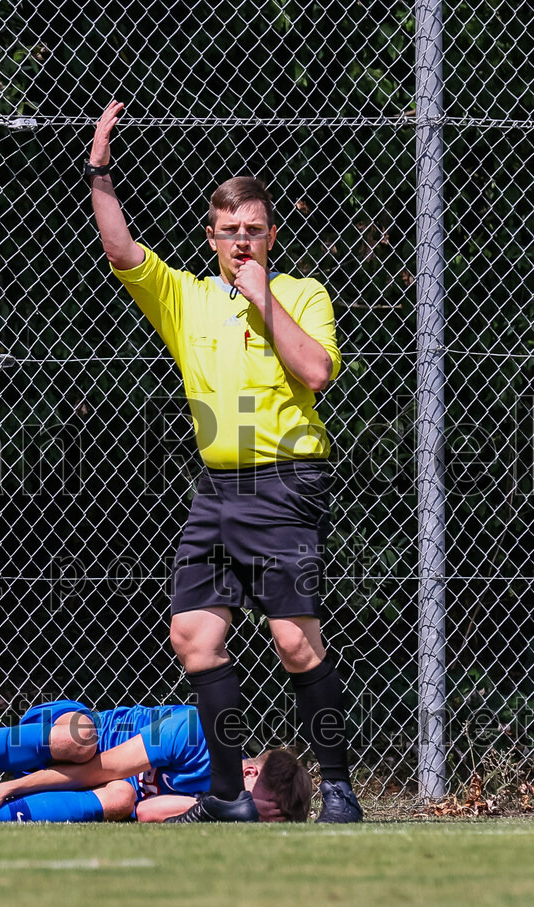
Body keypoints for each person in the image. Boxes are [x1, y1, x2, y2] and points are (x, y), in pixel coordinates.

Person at [84, 101, 362, 823]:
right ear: (210, 236)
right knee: (194, 636)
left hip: (285, 483)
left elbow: (317, 371)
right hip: (217, 489)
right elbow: (120, 251)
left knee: (296, 643)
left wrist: (262, 293)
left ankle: (338, 789)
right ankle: (229, 795)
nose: (241, 240)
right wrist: (100, 171)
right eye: (229, 231)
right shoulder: (187, 298)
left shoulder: (300, 293)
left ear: (272, 235)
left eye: (253, 230)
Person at [0, 699, 312, 823]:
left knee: (120, 800)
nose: (245, 815)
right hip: (68, 741)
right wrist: (4, 786)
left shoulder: (218, 804)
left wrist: (222, 814)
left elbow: (148, 811)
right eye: (254, 807)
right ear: (248, 771)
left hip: (94, 784)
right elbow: (99, 767)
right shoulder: (196, 731)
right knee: (83, 740)